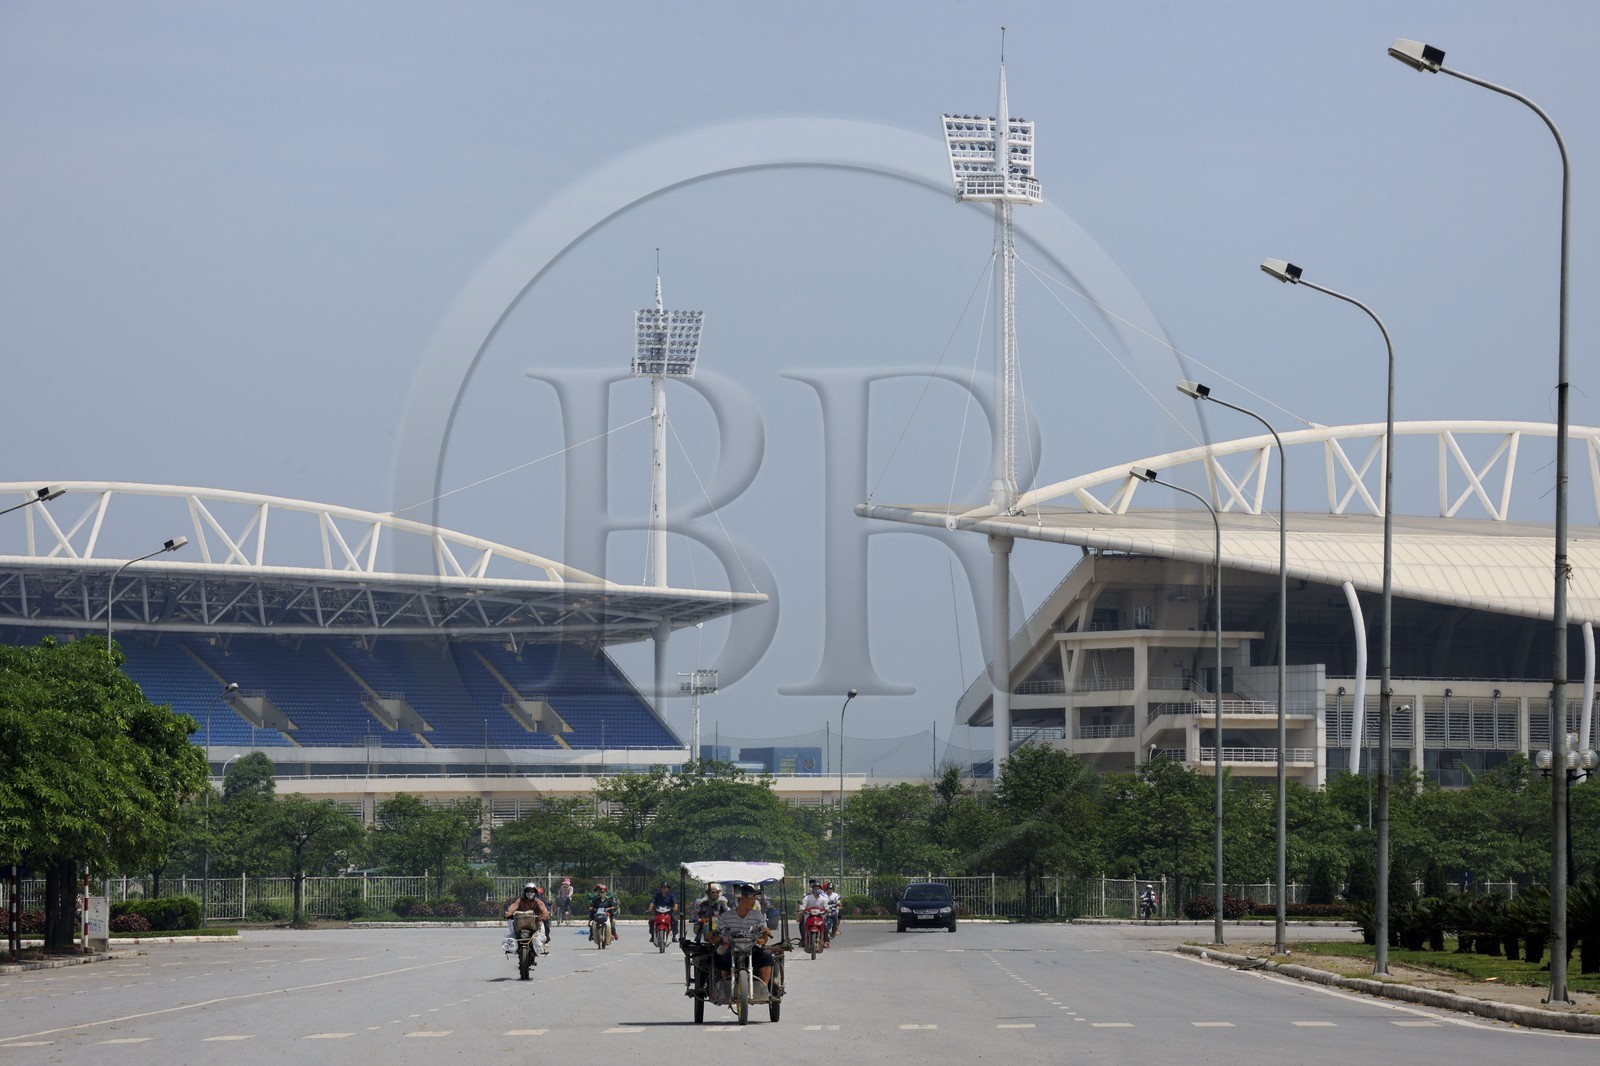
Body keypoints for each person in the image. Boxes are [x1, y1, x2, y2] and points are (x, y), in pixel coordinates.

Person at [710, 883, 778, 996]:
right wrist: (713, 936)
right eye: (752, 898)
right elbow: (718, 934)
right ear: (741, 898)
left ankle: (764, 988)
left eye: (755, 898)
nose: (754, 901)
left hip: (752, 947)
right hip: (732, 948)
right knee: (723, 958)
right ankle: (727, 987)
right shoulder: (726, 916)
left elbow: (763, 939)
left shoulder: (758, 916)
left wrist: (765, 933)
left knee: (766, 955)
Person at [503, 882, 550, 954]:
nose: (530, 893)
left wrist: (545, 916)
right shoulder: (519, 901)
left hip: (535, 921)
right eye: (528, 891)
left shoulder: (538, 902)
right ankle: (511, 947)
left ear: (535, 893)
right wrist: (508, 914)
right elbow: (512, 908)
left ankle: (542, 947)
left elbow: (544, 910)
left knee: (541, 934)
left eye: (532, 891)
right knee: (513, 934)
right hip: (520, 922)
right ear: (525, 892)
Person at [799, 880, 831, 946]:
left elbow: (826, 906)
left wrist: (828, 909)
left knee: (826, 925)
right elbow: (802, 906)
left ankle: (825, 941)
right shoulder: (807, 898)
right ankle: (803, 940)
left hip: (820, 917)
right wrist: (801, 909)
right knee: (802, 925)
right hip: (808, 916)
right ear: (812, 889)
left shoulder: (823, 898)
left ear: (821, 889)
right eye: (815, 888)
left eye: (818, 888)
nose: (817, 890)